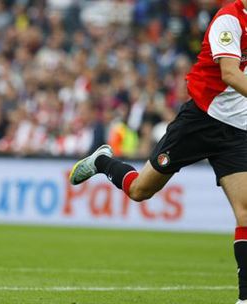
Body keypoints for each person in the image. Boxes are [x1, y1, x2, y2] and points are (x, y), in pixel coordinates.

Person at [69, 1, 247, 303]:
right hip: (200, 121)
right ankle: (102, 161)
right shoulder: (229, 19)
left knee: (245, 212)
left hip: (237, 128)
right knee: (140, 190)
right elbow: (229, 73)